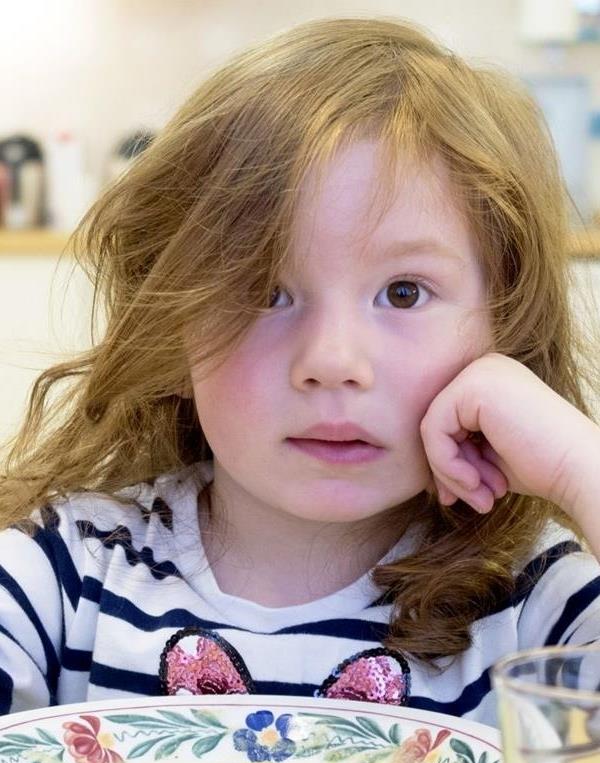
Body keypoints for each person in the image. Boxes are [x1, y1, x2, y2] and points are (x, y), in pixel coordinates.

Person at [1, 17, 599, 725]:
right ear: (172, 320)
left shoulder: (536, 601)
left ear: (505, 320)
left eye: (403, 292)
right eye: (263, 291)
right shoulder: (63, 579)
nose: (332, 363)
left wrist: (576, 464)